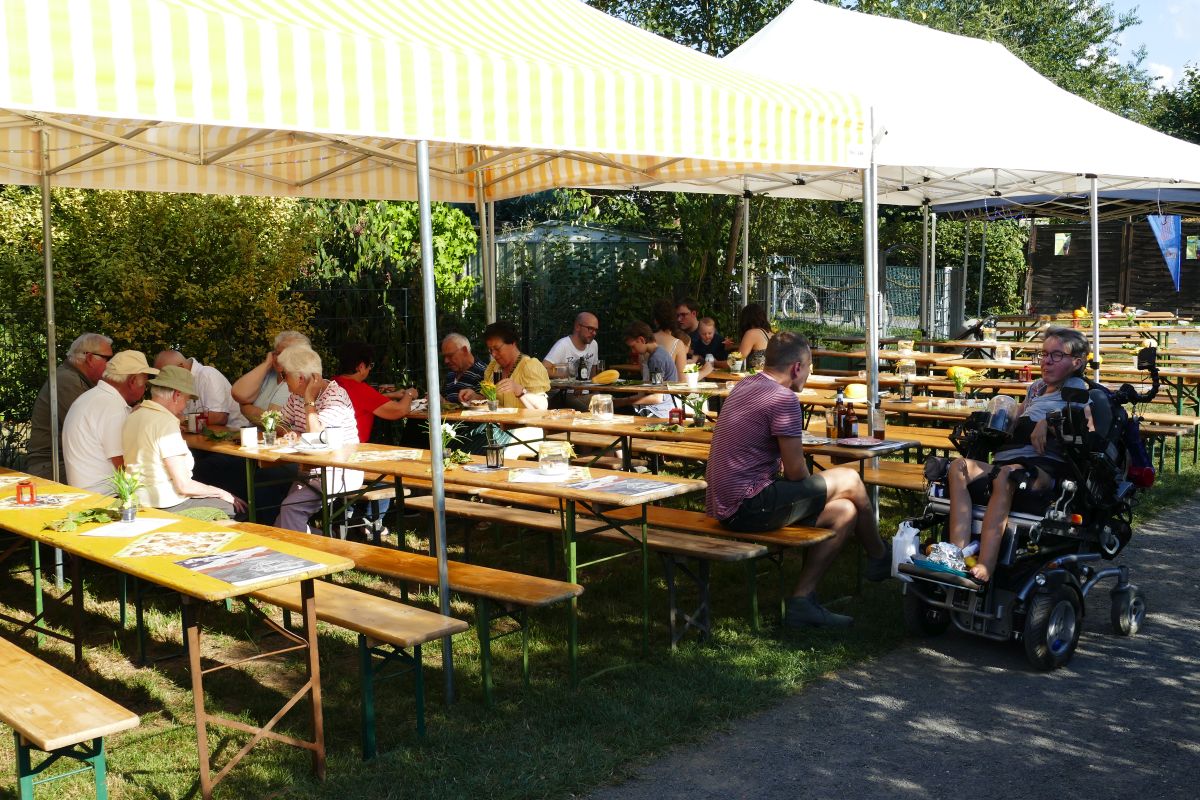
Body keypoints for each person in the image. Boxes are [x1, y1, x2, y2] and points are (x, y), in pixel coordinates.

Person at [705, 332, 891, 628]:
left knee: (846, 510)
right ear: (796, 368)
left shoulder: (745, 385)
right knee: (850, 480)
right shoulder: (783, 399)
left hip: (724, 505)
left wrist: (815, 494)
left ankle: (802, 601)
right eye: (810, 367)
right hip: (748, 504)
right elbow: (796, 474)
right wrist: (817, 492)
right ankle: (880, 556)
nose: (809, 373)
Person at [946, 326, 1110, 583]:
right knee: (958, 467)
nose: (1046, 361)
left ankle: (986, 565)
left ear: (1076, 362)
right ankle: (956, 555)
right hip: (1009, 461)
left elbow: (1089, 432)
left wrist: (1050, 422)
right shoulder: (1036, 388)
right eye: (1044, 354)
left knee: (1006, 476)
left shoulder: (1078, 392)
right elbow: (1017, 418)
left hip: (1044, 470)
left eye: (1056, 355)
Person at [122, 365, 245, 516]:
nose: (185, 406)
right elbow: (184, 486)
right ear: (176, 395)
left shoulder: (134, 415)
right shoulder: (166, 423)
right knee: (235, 508)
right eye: (186, 400)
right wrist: (222, 493)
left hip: (136, 498)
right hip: (165, 503)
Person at [274, 345, 363, 533]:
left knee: (290, 509)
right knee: (283, 520)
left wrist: (309, 400)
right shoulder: (296, 396)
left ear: (300, 378)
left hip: (340, 471)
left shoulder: (334, 396)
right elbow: (278, 422)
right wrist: (291, 432)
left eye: (284, 375)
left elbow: (318, 438)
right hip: (311, 470)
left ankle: (307, 549)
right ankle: (321, 541)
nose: (282, 380)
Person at [62, 351, 159, 495]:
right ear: (132, 381)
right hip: (104, 496)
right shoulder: (112, 407)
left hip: (87, 492)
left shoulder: (95, 397)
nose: (145, 389)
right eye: (145, 385)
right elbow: (126, 467)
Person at [25, 332, 113, 479]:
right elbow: (95, 430)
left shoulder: (72, 378)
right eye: (108, 359)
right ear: (90, 358)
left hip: (60, 463)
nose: (111, 365)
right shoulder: (68, 382)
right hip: (52, 466)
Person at [332, 341, 419, 442]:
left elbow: (363, 403)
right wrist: (410, 393)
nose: (370, 369)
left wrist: (392, 395)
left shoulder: (334, 382)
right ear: (361, 367)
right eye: (370, 365)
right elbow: (400, 410)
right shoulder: (360, 389)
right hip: (355, 448)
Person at [458, 321, 550, 410]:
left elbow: (542, 405)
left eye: (497, 348)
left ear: (512, 342)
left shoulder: (530, 366)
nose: (493, 354)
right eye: (490, 350)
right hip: (498, 421)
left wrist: (519, 391)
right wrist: (474, 396)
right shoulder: (493, 367)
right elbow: (489, 400)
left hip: (525, 421)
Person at [230, 330, 311, 425]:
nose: (279, 358)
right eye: (276, 353)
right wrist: (267, 364)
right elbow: (238, 394)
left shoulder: (298, 381)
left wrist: (245, 408)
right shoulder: (270, 374)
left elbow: (273, 422)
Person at [154, 350, 249, 429]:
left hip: (235, 438)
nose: (164, 381)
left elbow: (219, 417)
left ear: (181, 367)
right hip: (205, 437)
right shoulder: (181, 382)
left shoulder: (208, 375)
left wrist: (184, 419)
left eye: (167, 374)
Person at [616, 320, 677, 418]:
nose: (633, 351)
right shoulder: (660, 351)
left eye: (633, 347)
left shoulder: (656, 359)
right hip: (667, 405)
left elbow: (657, 397)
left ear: (641, 340)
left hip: (662, 410)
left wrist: (623, 402)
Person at [542, 312, 601, 410]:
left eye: (596, 330)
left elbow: (593, 374)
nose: (594, 333)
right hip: (566, 394)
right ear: (577, 327)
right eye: (590, 328)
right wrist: (567, 373)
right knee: (600, 407)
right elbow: (543, 369)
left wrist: (596, 393)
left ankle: (627, 400)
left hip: (586, 394)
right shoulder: (563, 345)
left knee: (608, 401)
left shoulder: (594, 344)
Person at [440, 333, 487, 404]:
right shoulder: (450, 374)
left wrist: (444, 402)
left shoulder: (483, 373)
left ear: (464, 350)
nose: (446, 361)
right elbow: (447, 402)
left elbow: (484, 405)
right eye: (445, 357)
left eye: (450, 355)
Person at [727, 303, 772, 371]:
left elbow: (734, 362)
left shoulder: (751, 333)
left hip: (759, 377)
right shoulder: (771, 334)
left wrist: (714, 362)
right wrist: (733, 346)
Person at [651, 299, 689, 379]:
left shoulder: (645, 342)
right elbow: (682, 380)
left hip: (644, 386)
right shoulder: (678, 344)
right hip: (666, 386)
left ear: (655, 320)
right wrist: (705, 371)